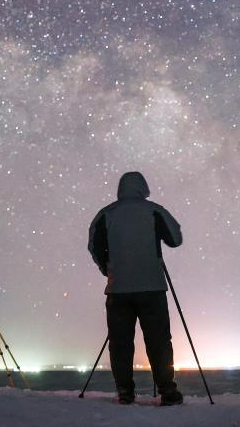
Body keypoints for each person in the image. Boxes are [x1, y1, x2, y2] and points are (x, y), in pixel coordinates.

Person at [88, 171, 184, 406]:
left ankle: (125, 392)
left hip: (118, 288)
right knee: (159, 341)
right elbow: (175, 239)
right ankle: (167, 391)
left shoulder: (106, 214)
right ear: (143, 188)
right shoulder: (153, 210)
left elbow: (94, 246)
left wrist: (107, 269)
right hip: (152, 287)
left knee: (120, 343)